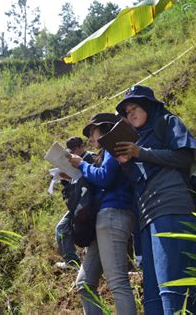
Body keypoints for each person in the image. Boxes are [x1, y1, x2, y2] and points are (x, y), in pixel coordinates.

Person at [114, 85, 196, 315]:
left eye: (135, 107)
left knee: (175, 281)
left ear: (149, 105)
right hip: (148, 215)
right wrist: (127, 162)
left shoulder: (166, 122)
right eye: (127, 110)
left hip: (171, 204)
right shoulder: (135, 141)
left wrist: (142, 153)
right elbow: (139, 178)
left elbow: (185, 156)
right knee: (155, 290)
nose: (130, 113)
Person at [69, 113, 137, 315]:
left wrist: (81, 164)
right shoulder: (105, 152)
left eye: (92, 132)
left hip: (113, 214)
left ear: (105, 129)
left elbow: (105, 177)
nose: (90, 138)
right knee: (84, 283)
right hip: (105, 218)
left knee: (117, 282)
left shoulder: (113, 146)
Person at [54, 136, 95, 270]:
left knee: (65, 229)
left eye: (75, 149)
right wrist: (65, 179)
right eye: (70, 150)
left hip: (88, 204)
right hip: (77, 204)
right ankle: (72, 262)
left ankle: (75, 263)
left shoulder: (90, 158)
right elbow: (70, 192)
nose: (72, 152)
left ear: (81, 147)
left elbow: (94, 179)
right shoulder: (71, 163)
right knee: (62, 229)